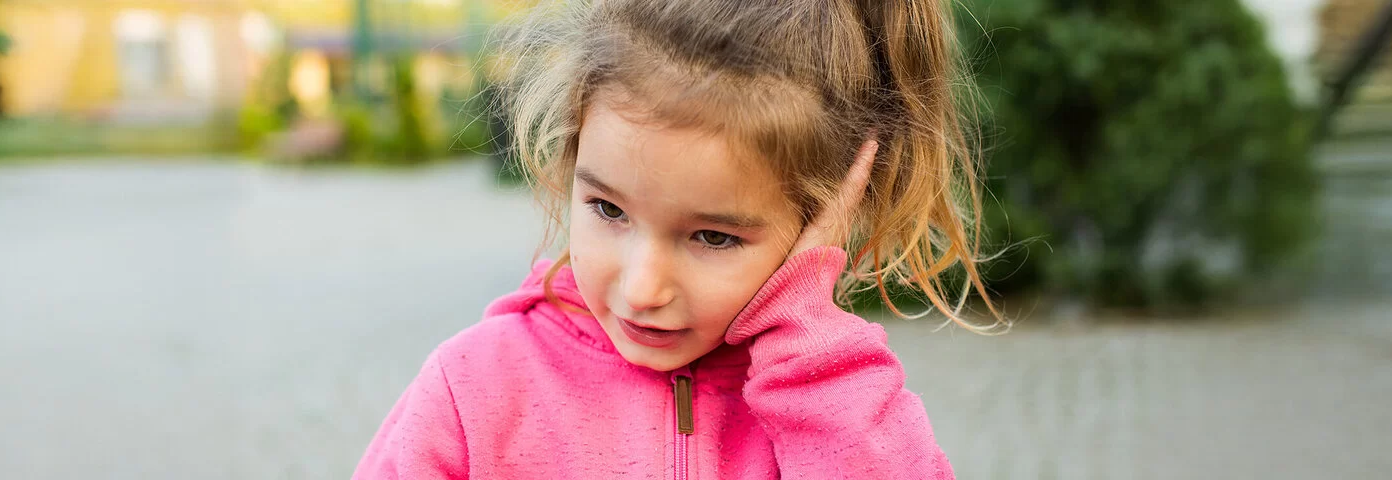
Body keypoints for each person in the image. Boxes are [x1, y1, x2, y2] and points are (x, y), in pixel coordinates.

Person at [353, 0, 1005, 478]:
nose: (642, 287)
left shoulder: (838, 409)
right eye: (607, 208)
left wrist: (807, 343)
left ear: (826, 218)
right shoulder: (476, 389)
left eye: (713, 238)